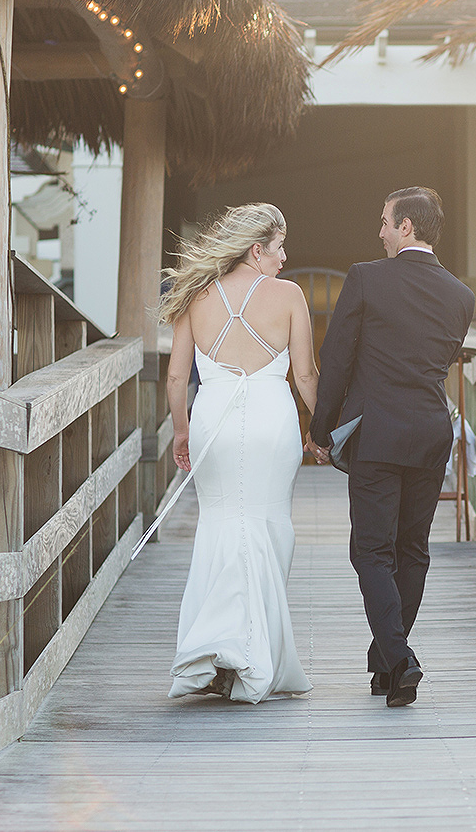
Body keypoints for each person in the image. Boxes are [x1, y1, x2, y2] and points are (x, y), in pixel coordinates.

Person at [306, 187, 475, 708]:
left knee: (372, 552)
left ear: (406, 228)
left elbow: (335, 360)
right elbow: (443, 358)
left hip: (377, 433)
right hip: (429, 431)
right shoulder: (461, 296)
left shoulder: (366, 279)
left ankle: (400, 659)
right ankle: (387, 661)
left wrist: (320, 428)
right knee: (412, 550)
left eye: (384, 221)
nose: (379, 231)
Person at [160, 203, 318, 703]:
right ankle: (254, 655)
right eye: (279, 247)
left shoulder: (195, 294)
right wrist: (325, 430)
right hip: (273, 422)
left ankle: (214, 652)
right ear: (257, 249)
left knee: (221, 523)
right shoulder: (289, 296)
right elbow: (306, 375)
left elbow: (175, 377)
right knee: (269, 528)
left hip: (213, 422)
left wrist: (182, 432)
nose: (284, 257)